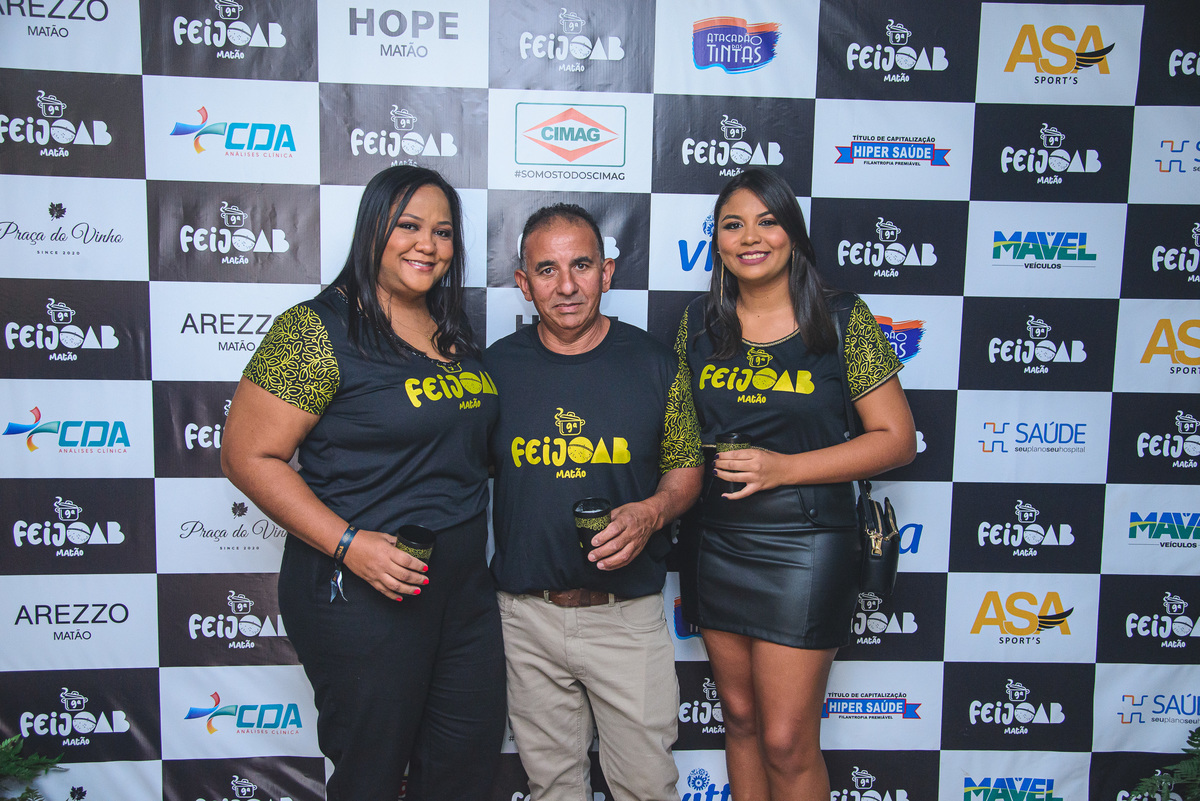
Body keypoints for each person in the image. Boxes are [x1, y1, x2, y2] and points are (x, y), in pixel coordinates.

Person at [220, 166, 505, 801]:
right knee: (371, 778)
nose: (427, 245)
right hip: (362, 590)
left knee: (463, 772)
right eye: (409, 226)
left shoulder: (451, 331)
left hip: (461, 593)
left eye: (443, 232)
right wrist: (350, 544)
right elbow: (246, 457)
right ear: (372, 228)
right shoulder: (315, 330)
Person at [674, 168, 917, 801]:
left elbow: (897, 439)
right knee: (740, 719)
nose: (750, 237)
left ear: (793, 233)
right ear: (717, 241)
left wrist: (783, 468)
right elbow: (679, 439)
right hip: (715, 541)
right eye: (733, 225)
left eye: (767, 221)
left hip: (806, 544)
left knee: (785, 739)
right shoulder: (696, 323)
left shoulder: (841, 318)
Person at [486, 203, 703, 801]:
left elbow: (686, 467)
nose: (566, 286)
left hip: (625, 618)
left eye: (581, 265)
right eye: (547, 270)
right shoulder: (492, 370)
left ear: (606, 272)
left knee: (647, 788)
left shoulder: (656, 364)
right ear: (523, 283)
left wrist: (652, 511)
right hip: (525, 619)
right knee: (552, 788)